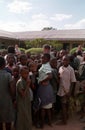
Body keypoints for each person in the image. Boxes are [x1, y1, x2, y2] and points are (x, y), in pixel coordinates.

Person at [57, 55, 76, 124]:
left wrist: (69, 92)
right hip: (61, 90)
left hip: (67, 90)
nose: (64, 61)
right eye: (63, 60)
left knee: (64, 105)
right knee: (64, 105)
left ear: (69, 61)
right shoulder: (60, 68)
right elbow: (60, 78)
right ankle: (65, 117)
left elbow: (73, 81)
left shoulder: (71, 69)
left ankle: (64, 121)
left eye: (66, 60)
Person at [37, 53, 54, 128]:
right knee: (47, 107)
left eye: (44, 58)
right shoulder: (45, 65)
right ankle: (49, 123)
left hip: (45, 88)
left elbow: (50, 76)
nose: (42, 59)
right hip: (45, 87)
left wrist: (41, 81)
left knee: (43, 107)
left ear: (47, 59)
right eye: (42, 58)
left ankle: (42, 124)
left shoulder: (46, 65)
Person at [0, 56, 14, 130]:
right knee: (8, 120)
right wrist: (13, 98)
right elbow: (11, 88)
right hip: (7, 100)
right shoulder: (8, 75)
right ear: (4, 64)